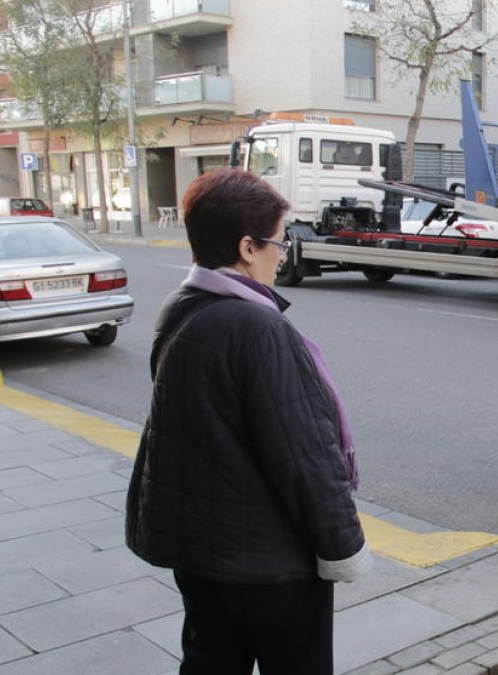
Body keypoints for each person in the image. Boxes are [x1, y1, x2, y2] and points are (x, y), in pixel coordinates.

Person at [126, 168, 370, 675]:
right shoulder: (258, 327)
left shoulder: (182, 309)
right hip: (270, 563)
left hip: (198, 554)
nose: (282, 254)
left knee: (210, 662)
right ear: (246, 247)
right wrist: (343, 546)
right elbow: (303, 455)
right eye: (278, 243)